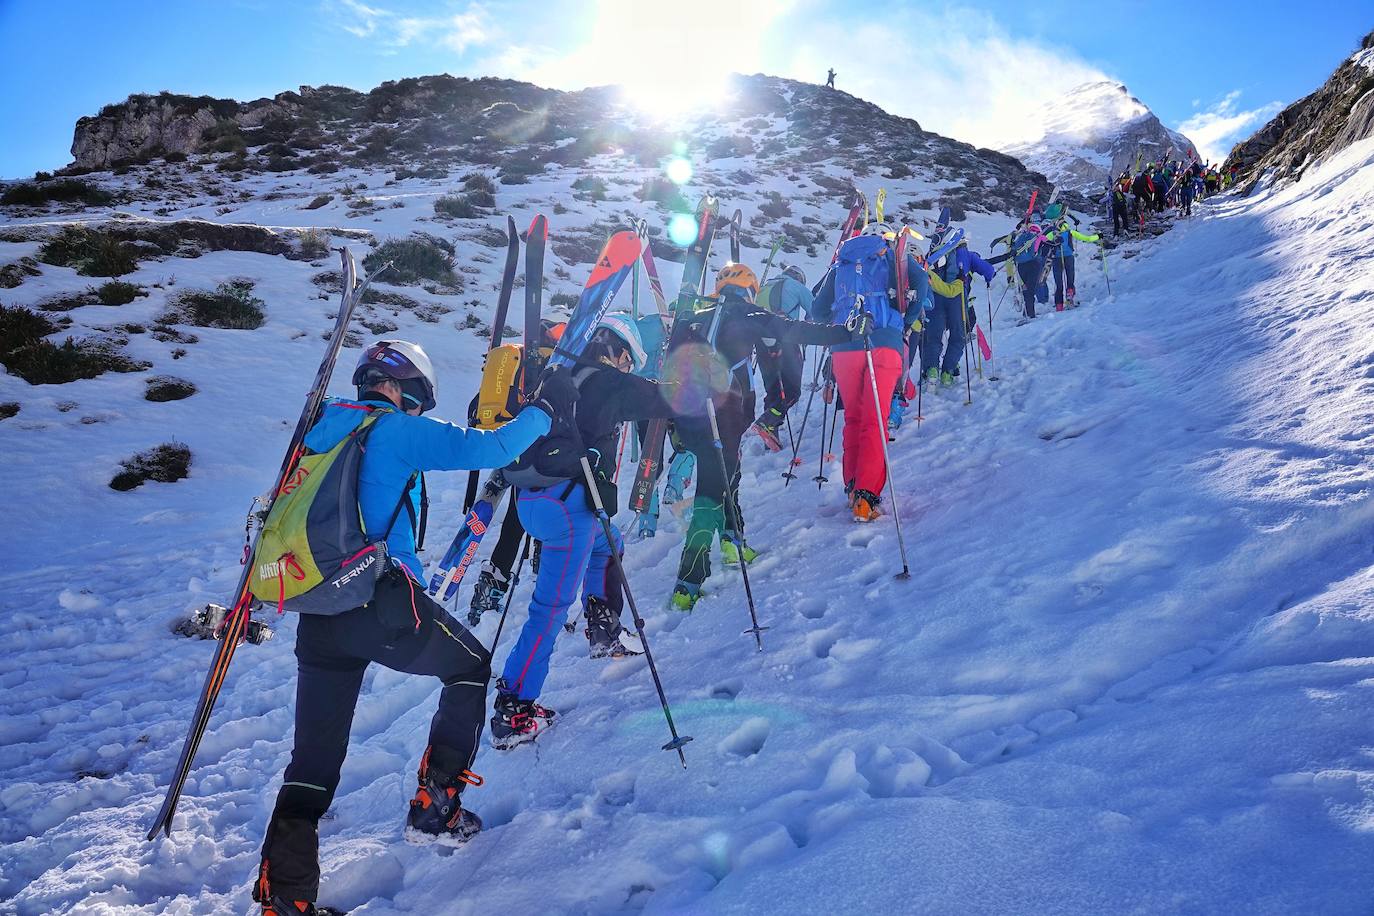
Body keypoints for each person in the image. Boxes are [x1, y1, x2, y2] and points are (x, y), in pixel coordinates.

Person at [254, 340, 576, 916]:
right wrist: (545, 411)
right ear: (408, 389)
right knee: (471, 668)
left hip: (317, 614)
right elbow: (495, 447)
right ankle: (437, 805)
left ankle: (285, 900)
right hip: (380, 604)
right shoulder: (395, 430)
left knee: (312, 765)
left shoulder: (323, 424)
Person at [492, 315, 679, 748]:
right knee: (549, 609)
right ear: (617, 350)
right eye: (628, 359)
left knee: (608, 543)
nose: (628, 367)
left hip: (532, 501)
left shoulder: (554, 374)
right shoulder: (610, 381)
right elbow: (663, 399)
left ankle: (603, 625)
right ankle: (514, 709)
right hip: (568, 508)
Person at [667, 262, 849, 608]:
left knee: (728, 476)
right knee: (711, 493)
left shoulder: (696, 316)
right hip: (724, 415)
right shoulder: (746, 314)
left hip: (688, 415)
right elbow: (796, 330)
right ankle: (687, 583)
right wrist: (845, 333)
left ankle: (733, 542)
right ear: (749, 288)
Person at [812, 224, 959, 521]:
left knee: (853, 418)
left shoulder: (841, 262)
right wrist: (903, 324)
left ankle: (853, 487)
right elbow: (921, 289)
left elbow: (817, 309)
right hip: (884, 344)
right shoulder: (893, 256)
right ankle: (866, 498)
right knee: (875, 421)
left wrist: (840, 323)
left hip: (844, 347)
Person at [921, 217, 996, 386]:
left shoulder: (933, 255)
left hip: (935, 299)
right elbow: (989, 271)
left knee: (933, 337)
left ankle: (931, 370)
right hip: (958, 300)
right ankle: (948, 372)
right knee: (957, 337)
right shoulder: (968, 256)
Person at [751, 263, 813, 450]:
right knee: (793, 391)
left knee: (774, 389)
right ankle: (768, 421)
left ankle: (771, 432)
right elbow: (816, 309)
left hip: (761, 343)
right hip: (785, 339)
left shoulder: (765, 286)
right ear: (799, 278)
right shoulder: (796, 286)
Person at [1040, 202, 1100, 311]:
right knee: (1070, 279)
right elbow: (1087, 238)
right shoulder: (1070, 232)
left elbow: (1042, 240)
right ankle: (1070, 298)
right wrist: (1098, 236)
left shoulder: (1052, 234)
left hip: (1056, 258)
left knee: (1058, 283)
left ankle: (1059, 306)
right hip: (1069, 257)